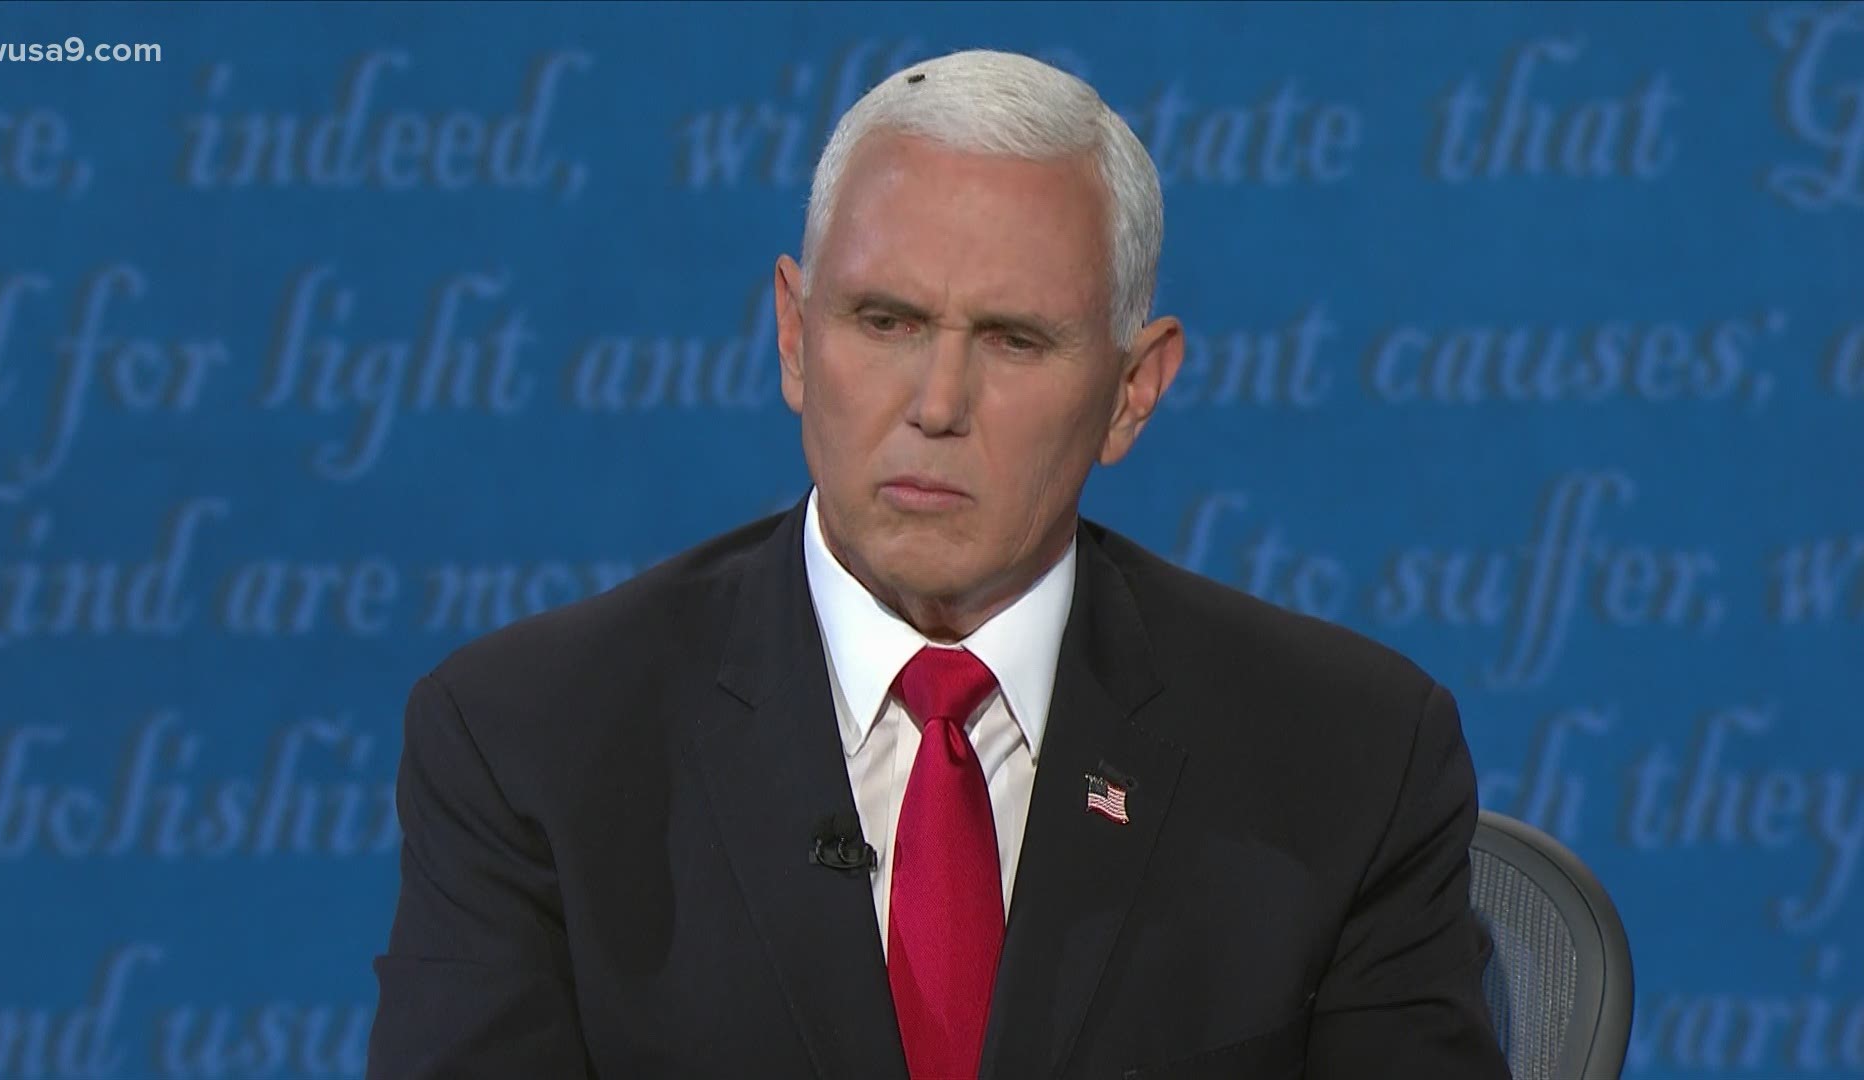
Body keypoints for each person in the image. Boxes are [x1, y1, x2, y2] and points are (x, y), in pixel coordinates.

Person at [368, 48, 1511, 1080]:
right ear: (792, 336)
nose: (937, 405)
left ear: (1131, 392)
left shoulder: (1348, 757)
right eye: (884, 321)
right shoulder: (534, 742)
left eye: (1015, 340)